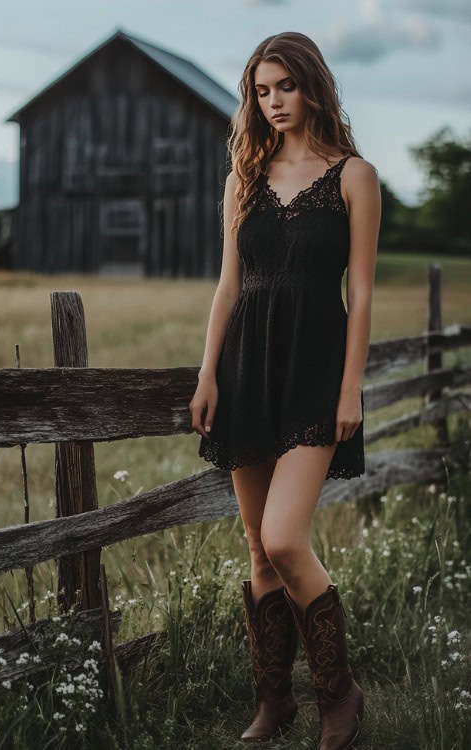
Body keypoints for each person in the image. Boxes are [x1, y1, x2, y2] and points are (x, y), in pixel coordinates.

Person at [189, 31, 380, 748]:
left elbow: (360, 295)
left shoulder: (354, 176)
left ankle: (340, 693)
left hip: (314, 371)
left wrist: (350, 387)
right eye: (262, 90)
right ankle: (275, 702)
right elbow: (229, 285)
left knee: (284, 537)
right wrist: (209, 372)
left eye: (285, 87)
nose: (273, 102)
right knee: (256, 547)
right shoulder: (243, 178)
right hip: (246, 369)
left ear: (312, 87)